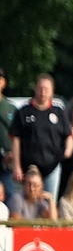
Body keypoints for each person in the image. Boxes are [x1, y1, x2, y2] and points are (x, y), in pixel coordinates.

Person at [10, 74, 73, 197]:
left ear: (52, 91)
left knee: (49, 201)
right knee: (27, 202)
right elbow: (15, 139)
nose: (43, 92)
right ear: (35, 89)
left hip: (52, 167)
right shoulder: (23, 111)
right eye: (40, 88)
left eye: (46, 89)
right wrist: (17, 166)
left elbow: (68, 135)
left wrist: (68, 151)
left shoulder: (59, 112)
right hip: (28, 168)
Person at [0, 68, 16, 202]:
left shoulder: (11, 108)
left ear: (4, 82)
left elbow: (19, 136)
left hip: (6, 164)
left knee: (10, 197)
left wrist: (12, 153)